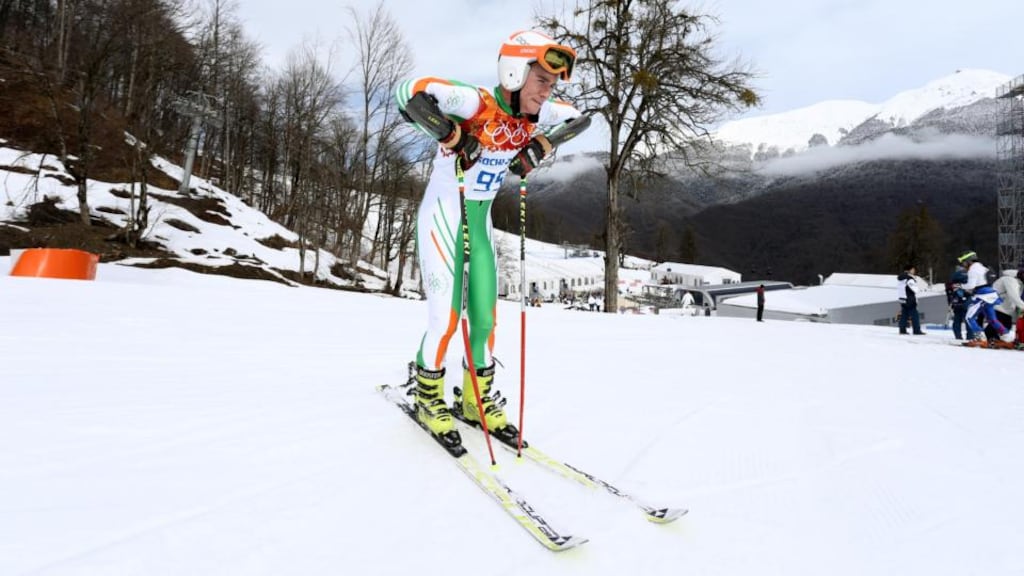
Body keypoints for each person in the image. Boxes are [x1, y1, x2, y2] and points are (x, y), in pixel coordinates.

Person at [396, 30, 584, 443]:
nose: (546, 92)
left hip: (480, 226)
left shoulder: (537, 113)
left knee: (484, 319)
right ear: (516, 72)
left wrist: (542, 145)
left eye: (552, 85)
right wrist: (451, 135)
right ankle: (429, 396)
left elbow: (580, 119)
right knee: (445, 318)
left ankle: (474, 400)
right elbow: (408, 93)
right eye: (541, 81)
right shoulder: (474, 102)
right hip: (444, 218)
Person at [991, 268, 1023, 345]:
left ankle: (996, 340)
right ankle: (991, 338)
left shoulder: (1019, 282)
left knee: (1006, 326)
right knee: (998, 325)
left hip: (1006, 309)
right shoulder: (1010, 280)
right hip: (999, 307)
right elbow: (1014, 296)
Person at [945, 263, 972, 340]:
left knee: (957, 319)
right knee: (968, 319)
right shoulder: (968, 277)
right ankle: (970, 336)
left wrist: (950, 302)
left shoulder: (952, 280)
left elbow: (948, 291)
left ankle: (958, 336)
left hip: (956, 301)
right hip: (967, 301)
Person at [896, 264, 924, 335]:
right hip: (909, 299)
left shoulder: (900, 278)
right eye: (913, 269)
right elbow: (915, 289)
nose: (914, 271)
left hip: (902, 298)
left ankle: (902, 330)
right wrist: (919, 288)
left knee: (904, 314)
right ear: (910, 270)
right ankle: (917, 330)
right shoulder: (909, 279)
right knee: (915, 315)